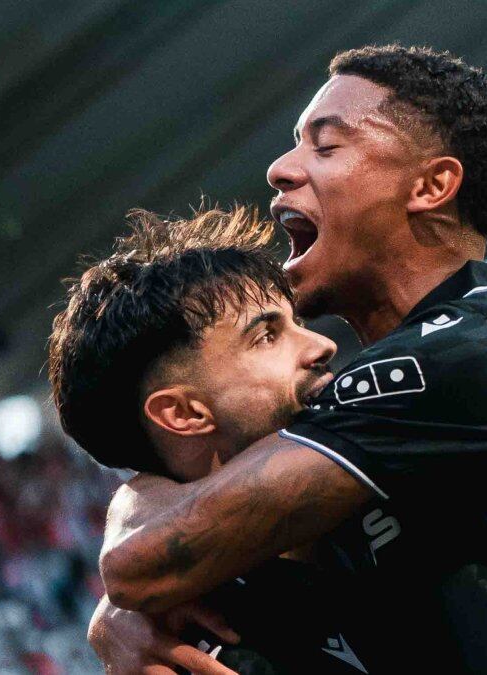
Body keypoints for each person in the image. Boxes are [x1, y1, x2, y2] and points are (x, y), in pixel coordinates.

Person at [94, 45, 487, 674]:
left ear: (430, 186)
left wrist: (132, 548)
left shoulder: (468, 352)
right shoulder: (416, 398)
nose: (281, 169)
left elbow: (141, 565)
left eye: (326, 146)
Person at [48, 205, 374, 674]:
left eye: (296, 323)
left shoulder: (386, 471)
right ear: (183, 413)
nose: (322, 346)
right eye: (267, 336)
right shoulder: (200, 646)